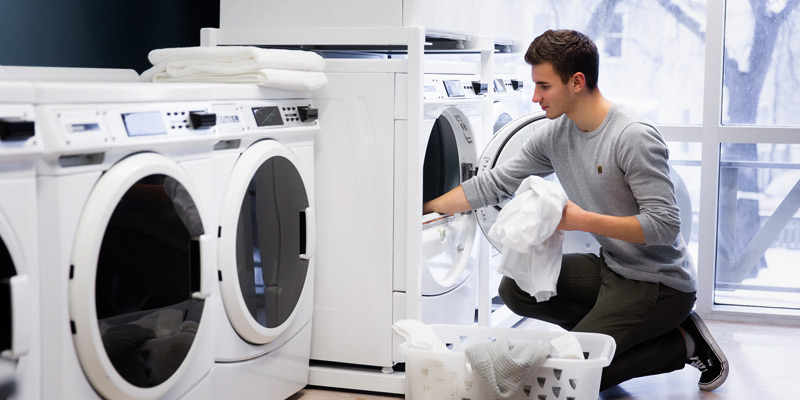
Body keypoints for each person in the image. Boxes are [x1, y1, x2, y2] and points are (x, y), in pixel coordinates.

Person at [423, 29, 728, 391]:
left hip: (659, 283)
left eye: (544, 86)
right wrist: (424, 208)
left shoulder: (631, 136)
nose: (535, 97)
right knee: (516, 288)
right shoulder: (557, 134)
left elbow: (665, 226)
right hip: (614, 267)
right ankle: (609, 336)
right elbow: (495, 182)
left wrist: (578, 220)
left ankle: (685, 343)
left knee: (568, 378)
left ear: (577, 82)